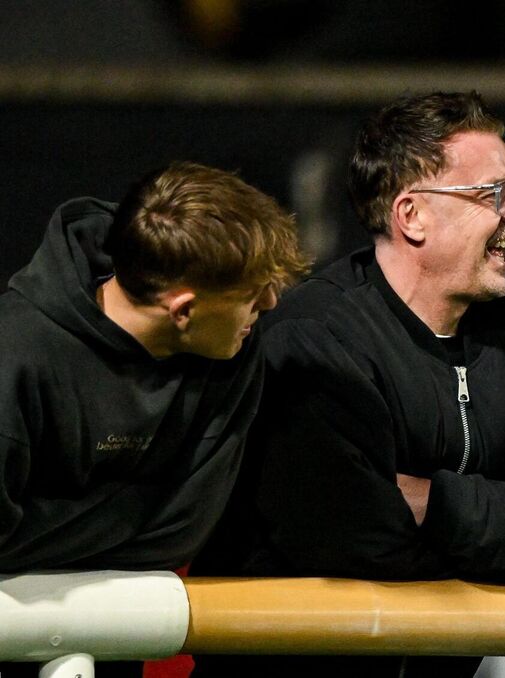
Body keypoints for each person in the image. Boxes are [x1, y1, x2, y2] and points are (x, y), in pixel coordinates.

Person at [192, 91, 505, 677]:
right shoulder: (311, 341)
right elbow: (351, 539)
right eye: (495, 194)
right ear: (412, 216)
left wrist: (434, 501)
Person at [0, 161, 308, 675]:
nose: (271, 304)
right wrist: (142, 506)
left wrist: (45, 525)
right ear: (183, 310)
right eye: (253, 294)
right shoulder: (15, 358)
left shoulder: (231, 350)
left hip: (113, 645)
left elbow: (182, 531)